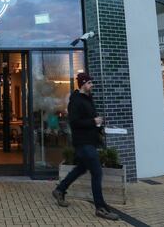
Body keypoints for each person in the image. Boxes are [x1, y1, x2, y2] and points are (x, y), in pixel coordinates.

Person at [51, 72, 119, 221]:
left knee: (81, 168)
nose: (91, 85)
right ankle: (100, 208)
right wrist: (93, 122)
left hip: (90, 141)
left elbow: (89, 119)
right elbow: (74, 123)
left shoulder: (88, 99)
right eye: (89, 83)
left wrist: (99, 125)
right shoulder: (75, 101)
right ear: (82, 84)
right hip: (83, 143)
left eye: (91, 82)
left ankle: (60, 189)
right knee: (97, 173)